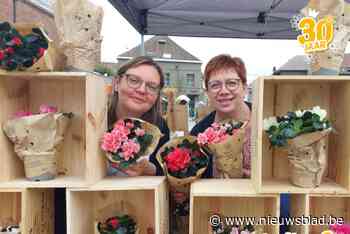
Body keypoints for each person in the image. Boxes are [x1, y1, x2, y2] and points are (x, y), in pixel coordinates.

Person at [190, 54, 251, 178]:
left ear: (245, 88)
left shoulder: (266, 121)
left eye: (232, 83)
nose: (224, 91)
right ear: (207, 92)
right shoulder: (198, 133)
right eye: (215, 85)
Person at [107, 56, 170, 176]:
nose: (142, 90)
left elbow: (165, 172)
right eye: (134, 80)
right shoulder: (94, 120)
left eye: (152, 87)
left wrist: (148, 169)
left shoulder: (160, 127)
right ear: (116, 83)